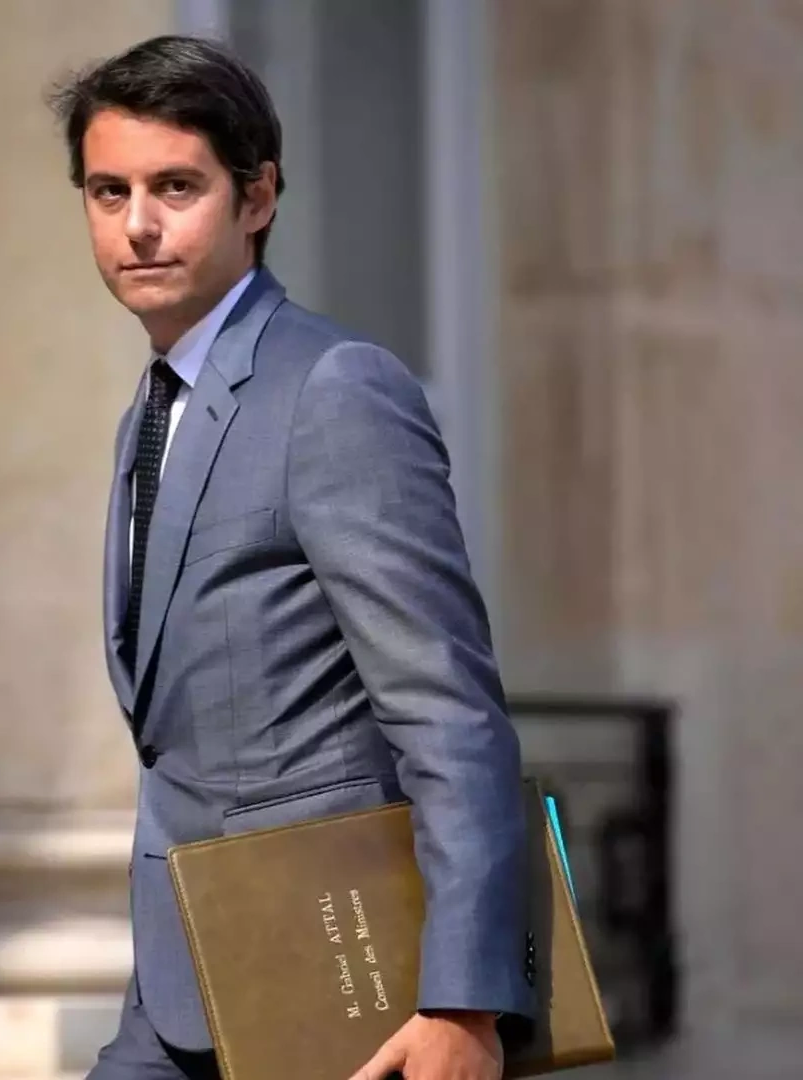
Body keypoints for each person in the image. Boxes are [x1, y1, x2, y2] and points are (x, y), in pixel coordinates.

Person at [47, 33, 534, 1080]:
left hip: (341, 992)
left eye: (176, 187)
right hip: (187, 983)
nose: (137, 224)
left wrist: (464, 1006)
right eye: (108, 191)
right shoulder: (152, 413)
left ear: (257, 197)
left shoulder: (335, 388)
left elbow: (447, 707)